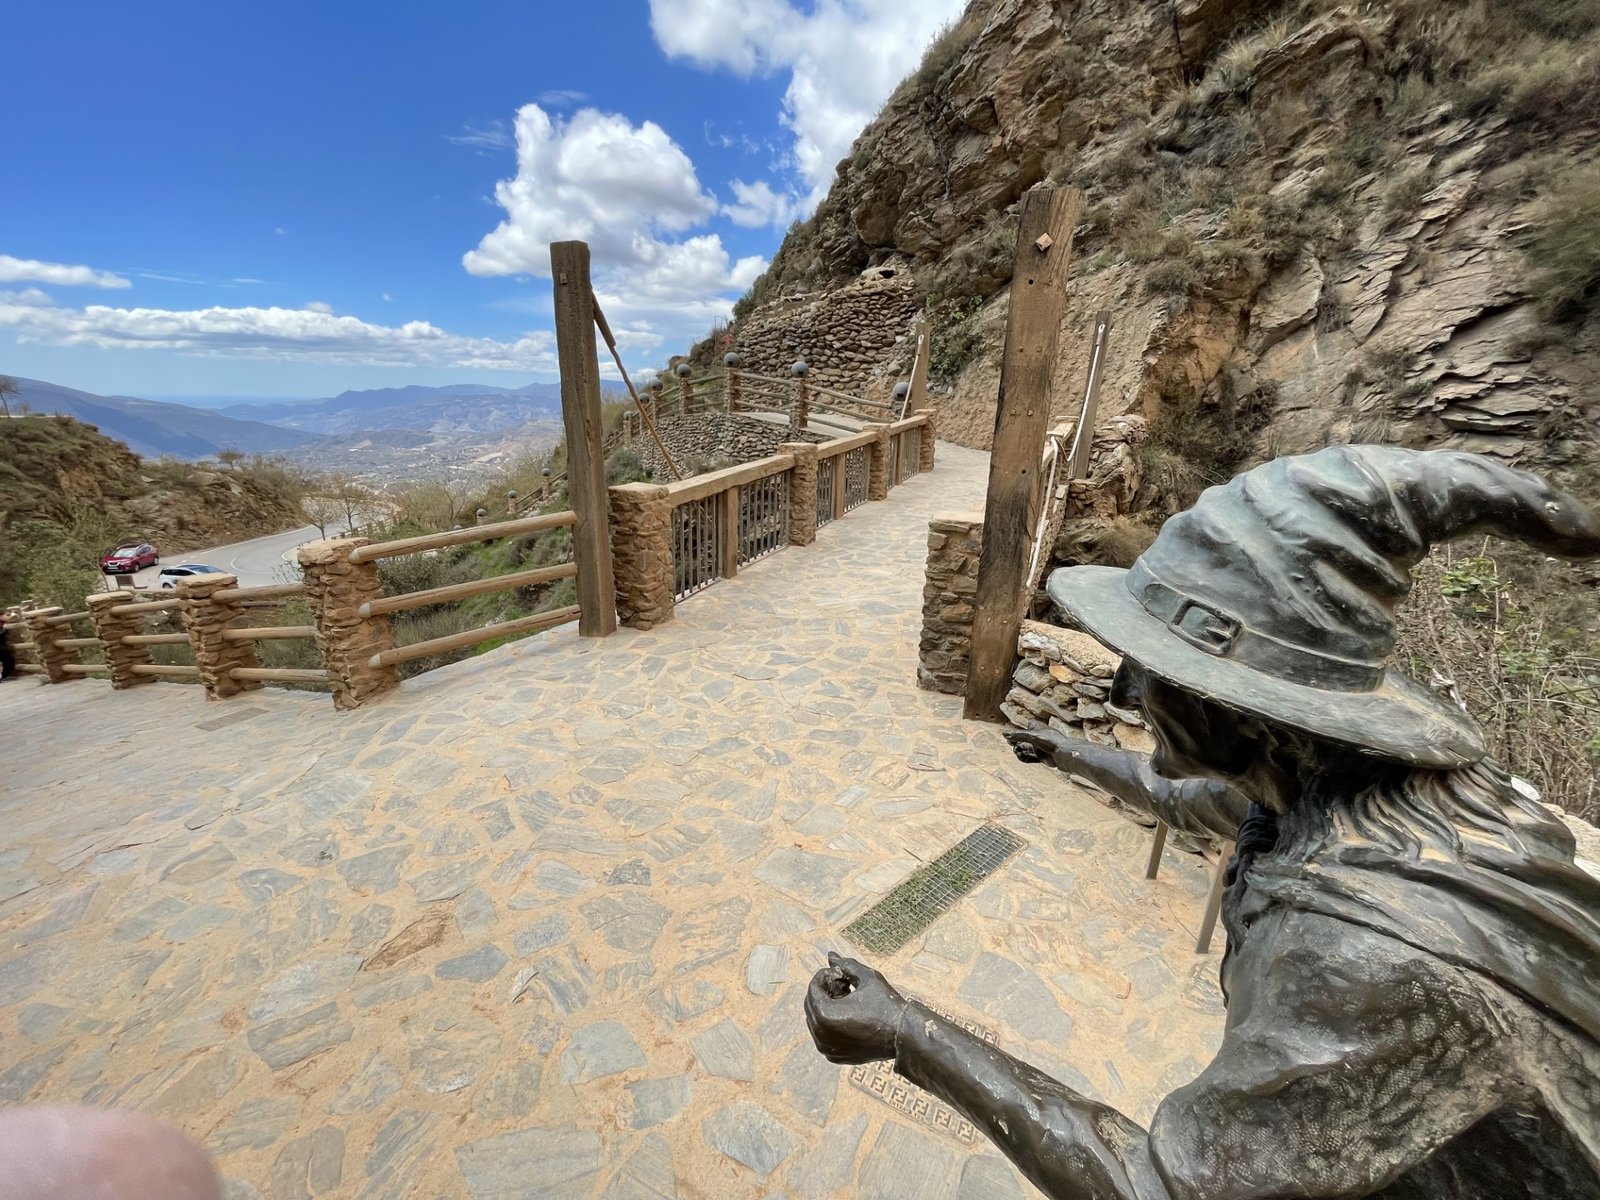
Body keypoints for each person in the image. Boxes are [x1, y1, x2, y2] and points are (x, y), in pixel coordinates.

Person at [807, 445, 1600, 1198]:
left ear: (1233, 705)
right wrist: (1060, 751)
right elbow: (1184, 800)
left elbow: (1161, 1185)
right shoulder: (1335, 789)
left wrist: (904, 1032)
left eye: (1148, 670)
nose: (1123, 694)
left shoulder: (1363, 955)